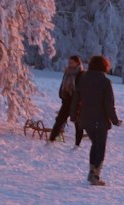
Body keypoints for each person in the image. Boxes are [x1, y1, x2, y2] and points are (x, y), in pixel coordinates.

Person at [77, 55, 120, 186]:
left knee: (95, 144)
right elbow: (108, 104)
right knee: (100, 146)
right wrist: (115, 120)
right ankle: (95, 175)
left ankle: (91, 172)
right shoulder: (105, 82)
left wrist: (74, 115)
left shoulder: (83, 79)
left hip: (85, 119)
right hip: (100, 120)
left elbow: (76, 98)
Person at [49, 56, 82, 143]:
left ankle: (77, 143)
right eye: (69, 62)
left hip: (76, 102)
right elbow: (63, 84)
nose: (70, 64)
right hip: (66, 100)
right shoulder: (67, 72)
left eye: (72, 62)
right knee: (60, 119)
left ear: (77, 63)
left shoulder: (81, 73)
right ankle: (52, 139)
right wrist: (61, 94)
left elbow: (81, 88)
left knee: (77, 123)